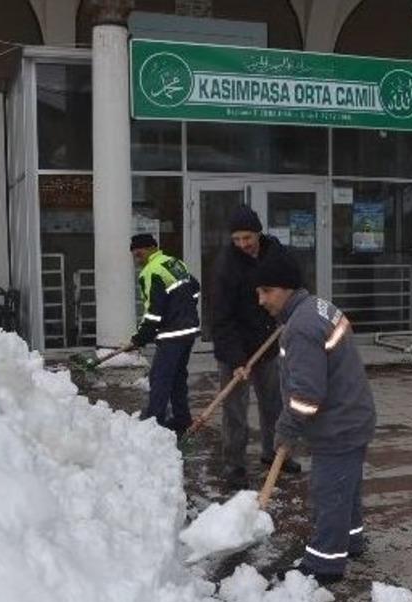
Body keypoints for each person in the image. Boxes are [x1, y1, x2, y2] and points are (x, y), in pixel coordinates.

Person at [254, 249, 376, 586]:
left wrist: (286, 429)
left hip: (338, 423)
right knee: (346, 487)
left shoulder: (302, 327)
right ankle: (351, 540)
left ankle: (324, 564)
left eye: (267, 291)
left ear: (288, 288)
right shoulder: (316, 308)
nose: (261, 300)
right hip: (352, 414)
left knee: (329, 492)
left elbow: (307, 396)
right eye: (258, 292)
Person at [212, 205, 302, 488]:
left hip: (270, 342)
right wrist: (237, 359)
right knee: (235, 410)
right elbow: (221, 318)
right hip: (235, 347)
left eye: (247, 237)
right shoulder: (226, 265)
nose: (242, 244)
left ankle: (275, 454)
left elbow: (295, 286)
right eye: (237, 239)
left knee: (274, 403)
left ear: (259, 233)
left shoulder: (277, 254)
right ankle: (234, 465)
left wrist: (290, 316)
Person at [125, 233, 200, 435]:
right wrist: (184, 309)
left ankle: (154, 424)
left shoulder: (151, 271)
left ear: (151, 249)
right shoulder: (173, 263)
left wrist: (140, 338)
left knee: (160, 378)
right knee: (177, 377)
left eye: (139, 255)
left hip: (172, 333)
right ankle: (182, 419)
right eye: (135, 256)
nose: (137, 260)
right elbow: (195, 288)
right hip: (188, 331)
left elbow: (154, 312)